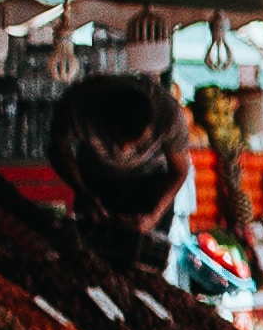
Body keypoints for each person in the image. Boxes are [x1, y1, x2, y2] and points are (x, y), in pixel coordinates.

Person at [44, 72, 192, 272]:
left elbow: (179, 171)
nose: (123, 151)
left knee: (145, 269)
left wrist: (154, 216)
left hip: (150, 184)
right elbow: (58, 150)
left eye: (136, 145)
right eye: (115, 140)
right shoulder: (79, 103)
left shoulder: (169, 115)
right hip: (97, 182)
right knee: (92, 264)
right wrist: (83, 192)